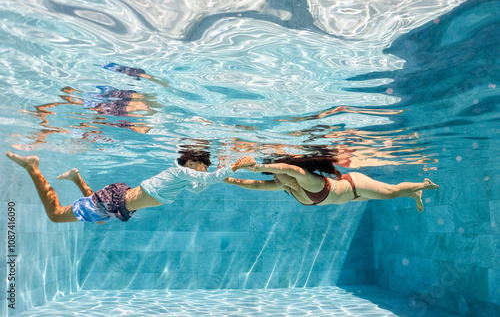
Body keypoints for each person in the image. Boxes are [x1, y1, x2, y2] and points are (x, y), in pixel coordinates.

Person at [6, 150, 255, 224]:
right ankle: (33, 167)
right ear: (191, 161)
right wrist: (236, 166)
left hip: (118, 202)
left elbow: (201, 186)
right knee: (56, 215)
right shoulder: (180, 171)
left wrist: (225, 176)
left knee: (99, 217)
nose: (204, 171)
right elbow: (207, 180)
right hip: (117, 200)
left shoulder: (183, 179)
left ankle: (76, 178)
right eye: (203, 166)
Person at [224, 155, 439, 212]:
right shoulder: (286, 185)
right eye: (274, 177)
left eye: (275, 174)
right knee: (387, 196)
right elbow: (256, 185)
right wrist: (229, 179)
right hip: (349, 198)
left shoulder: (307, 179)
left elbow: (289, 169)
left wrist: (257, 166)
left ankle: (421, 184)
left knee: (390, 193)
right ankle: (413, 194)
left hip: (354, 185)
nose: (275, 179)